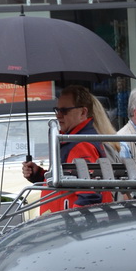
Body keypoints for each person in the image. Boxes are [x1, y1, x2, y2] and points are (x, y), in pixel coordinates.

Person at [23, 85, 116, 213]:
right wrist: (39, 175)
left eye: (64, 110)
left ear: (83, 112)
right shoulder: (74, 140)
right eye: (57, 110)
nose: (58, 116)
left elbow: (89, 195)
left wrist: (74, 225)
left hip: (72, 227)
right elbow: (68, 181)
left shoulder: (81, 145)